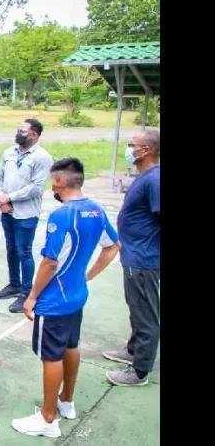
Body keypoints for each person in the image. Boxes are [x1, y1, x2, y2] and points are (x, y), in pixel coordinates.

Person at [12, 158, 120, 438]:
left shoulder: (62, 216)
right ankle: (66, 400)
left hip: (54, 300)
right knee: (71, 346)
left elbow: (50, 262)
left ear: (59, 182)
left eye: (52, 181)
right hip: (75, 296)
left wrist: (32, 296)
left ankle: (48, 418)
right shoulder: (95, 210)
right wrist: (88, 275)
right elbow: (113, 246)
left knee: (51, 357)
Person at [104, 130, 160, 387]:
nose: (129, 149)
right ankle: (133, 349)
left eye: (132, 145)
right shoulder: (145, 177)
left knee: (145, 313)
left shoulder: (155, 179)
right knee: (135, 307)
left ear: (146, 150)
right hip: (134, 255)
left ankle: (139, 372)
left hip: (144, 259)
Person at [0, 119, 53, 313]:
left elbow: (36, 188)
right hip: (7, 211)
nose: (19, 133)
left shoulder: (42, 157)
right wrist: (1, 199)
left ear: (35, 134)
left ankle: (26, 292)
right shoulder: (8, 153)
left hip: (26, 214)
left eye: (23, 131)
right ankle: (14, 284)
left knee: (23, 251)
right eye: (19, 130)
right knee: (11, 249)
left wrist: (9, 197)